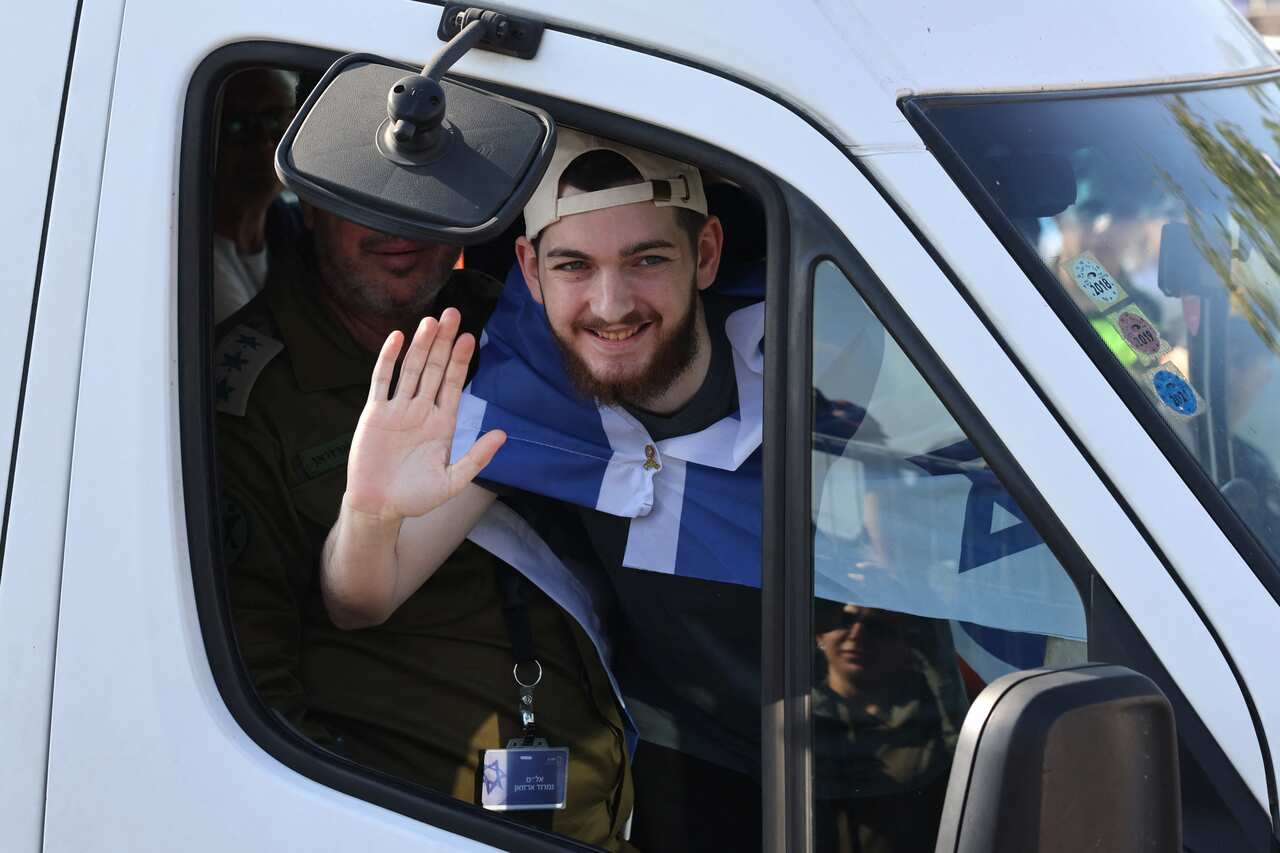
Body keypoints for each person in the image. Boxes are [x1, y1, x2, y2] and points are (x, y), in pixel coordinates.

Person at [323, 129, 767, 852]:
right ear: (530, 270)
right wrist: (370, 511)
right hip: (694, 759)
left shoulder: (808, 337)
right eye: (574, 265)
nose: (611, 303)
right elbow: (360, 598)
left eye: (647, 259)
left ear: (707, 253)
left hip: (889, 743)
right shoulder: (526, 384)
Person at [214, 202, 633, 849]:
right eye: (365, 196)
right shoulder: (251, 396)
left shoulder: (514, 326)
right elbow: (248, 704)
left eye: (424, 196)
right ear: (312, 201)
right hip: (423, 825)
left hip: (604, 808)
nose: (398, 226)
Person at [211, 68, 299, 323]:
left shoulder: (296, 228)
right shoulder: (186, 256)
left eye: (275, 120)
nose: (263, 143)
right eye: (237, 126)